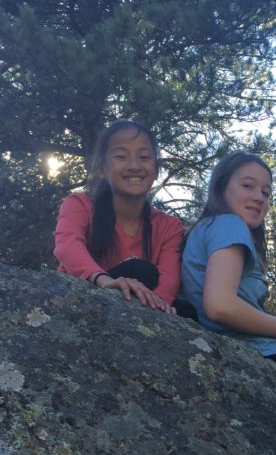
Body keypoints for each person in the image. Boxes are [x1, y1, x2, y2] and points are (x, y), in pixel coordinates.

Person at [181, 150, 276, 363]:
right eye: (248, 185)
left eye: (266, 193)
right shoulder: (230, 224)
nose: (259, 197)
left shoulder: (203, 229)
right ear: (221, 188)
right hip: (260, 356)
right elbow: (220, 305)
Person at [54, 119, 185, 314]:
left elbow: (169, 276)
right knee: (140, 271)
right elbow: (67, 245)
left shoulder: (169, 226)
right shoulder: (80, 205)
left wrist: (160, 306)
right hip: (80, 297)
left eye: (144, 157)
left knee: (184, 310)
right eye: (121, 157)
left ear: (156, 170)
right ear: (103, 169)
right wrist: (104, 281)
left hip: (135, 306)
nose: (134, 165)